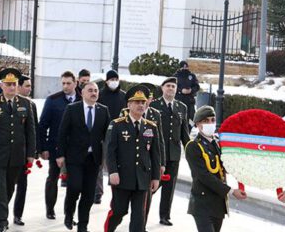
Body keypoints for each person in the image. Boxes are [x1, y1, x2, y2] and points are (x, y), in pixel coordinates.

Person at [0, 68, 36, 232]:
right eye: (8, 84)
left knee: (10, 187)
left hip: (17, 155)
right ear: (1, 85)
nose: (12, 87)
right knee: (0, 188)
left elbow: (30, 131)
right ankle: (2, 220)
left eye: (14, 84)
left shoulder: (25, 103)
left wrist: (31, 153)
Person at [103, 85, 162, 232]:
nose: (141, 105)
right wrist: (112, 172)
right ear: (129, 105)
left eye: (143, 102)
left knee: (139, 218)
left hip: (142, 179)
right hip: (122, 177)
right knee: (119, 211)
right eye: (137, 102)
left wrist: (156, 177)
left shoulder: (151, 127)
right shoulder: (117, 125)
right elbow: (110, 151)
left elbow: (155, 154)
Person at [57, 81, 110, 232]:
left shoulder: (103, 110)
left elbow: (109, 135)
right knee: (74, 188)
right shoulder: (72, 109)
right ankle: (69, 214)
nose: (94, 93)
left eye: (96, 91)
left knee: (88, 194)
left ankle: (83, 225)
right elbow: (62, 133)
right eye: (90, 90)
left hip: (93, 159)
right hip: (74, 157)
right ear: (83, 93)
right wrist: (60, 154)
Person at [186, 106, 247, 232]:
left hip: (218, 204)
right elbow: (204, 176)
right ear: (198, 124)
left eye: (212, 120)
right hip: (202, 203)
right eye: (206, 121)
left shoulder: (219, 144)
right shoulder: (193, 146)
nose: (210, 123)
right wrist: (230, 191)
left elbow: (227, 166)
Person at [38, 70, 81, 220]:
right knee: (53, 177)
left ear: (75, 83)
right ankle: (50, 209)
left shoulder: (83, 99)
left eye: (69, 83)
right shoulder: (53, 100)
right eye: (63, 83)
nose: (65, 86)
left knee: (75, 181)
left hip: (76, 148)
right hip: (56, 146)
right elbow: (43, 125)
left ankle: (69, 211)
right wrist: (42, 148)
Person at [149, 77, 190, 226]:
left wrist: (190, 150)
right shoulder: (153, 105)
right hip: (157, 154)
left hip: (173, 154)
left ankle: (165, 216)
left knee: (169, 188)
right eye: (168, 86)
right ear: (162, 88)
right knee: (152, 186)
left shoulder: (181, 107)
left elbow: (184, 132)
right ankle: (141, 212)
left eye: (173, 86)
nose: (171, 89)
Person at [11, 74, 38, 226]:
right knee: (7, 186)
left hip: (23, 153)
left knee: (22, 185)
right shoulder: (6, 102)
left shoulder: (30, 105)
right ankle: (1, 212)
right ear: (18, 86)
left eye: (30, 86)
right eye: (27, 86)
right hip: (7, 153)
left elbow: (34, 130)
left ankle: (17, 215)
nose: (30, 89)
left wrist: (34, 152)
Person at [95, 70, 125, 203]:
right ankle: (97, 192)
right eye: (111, 79)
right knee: (100, 163)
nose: (114, 82)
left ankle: (116, 191)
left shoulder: (123, 96)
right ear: (106, 81)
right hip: (102, 133)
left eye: (116, 79)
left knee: (117, 164)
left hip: (120, 134)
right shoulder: (100, 95)